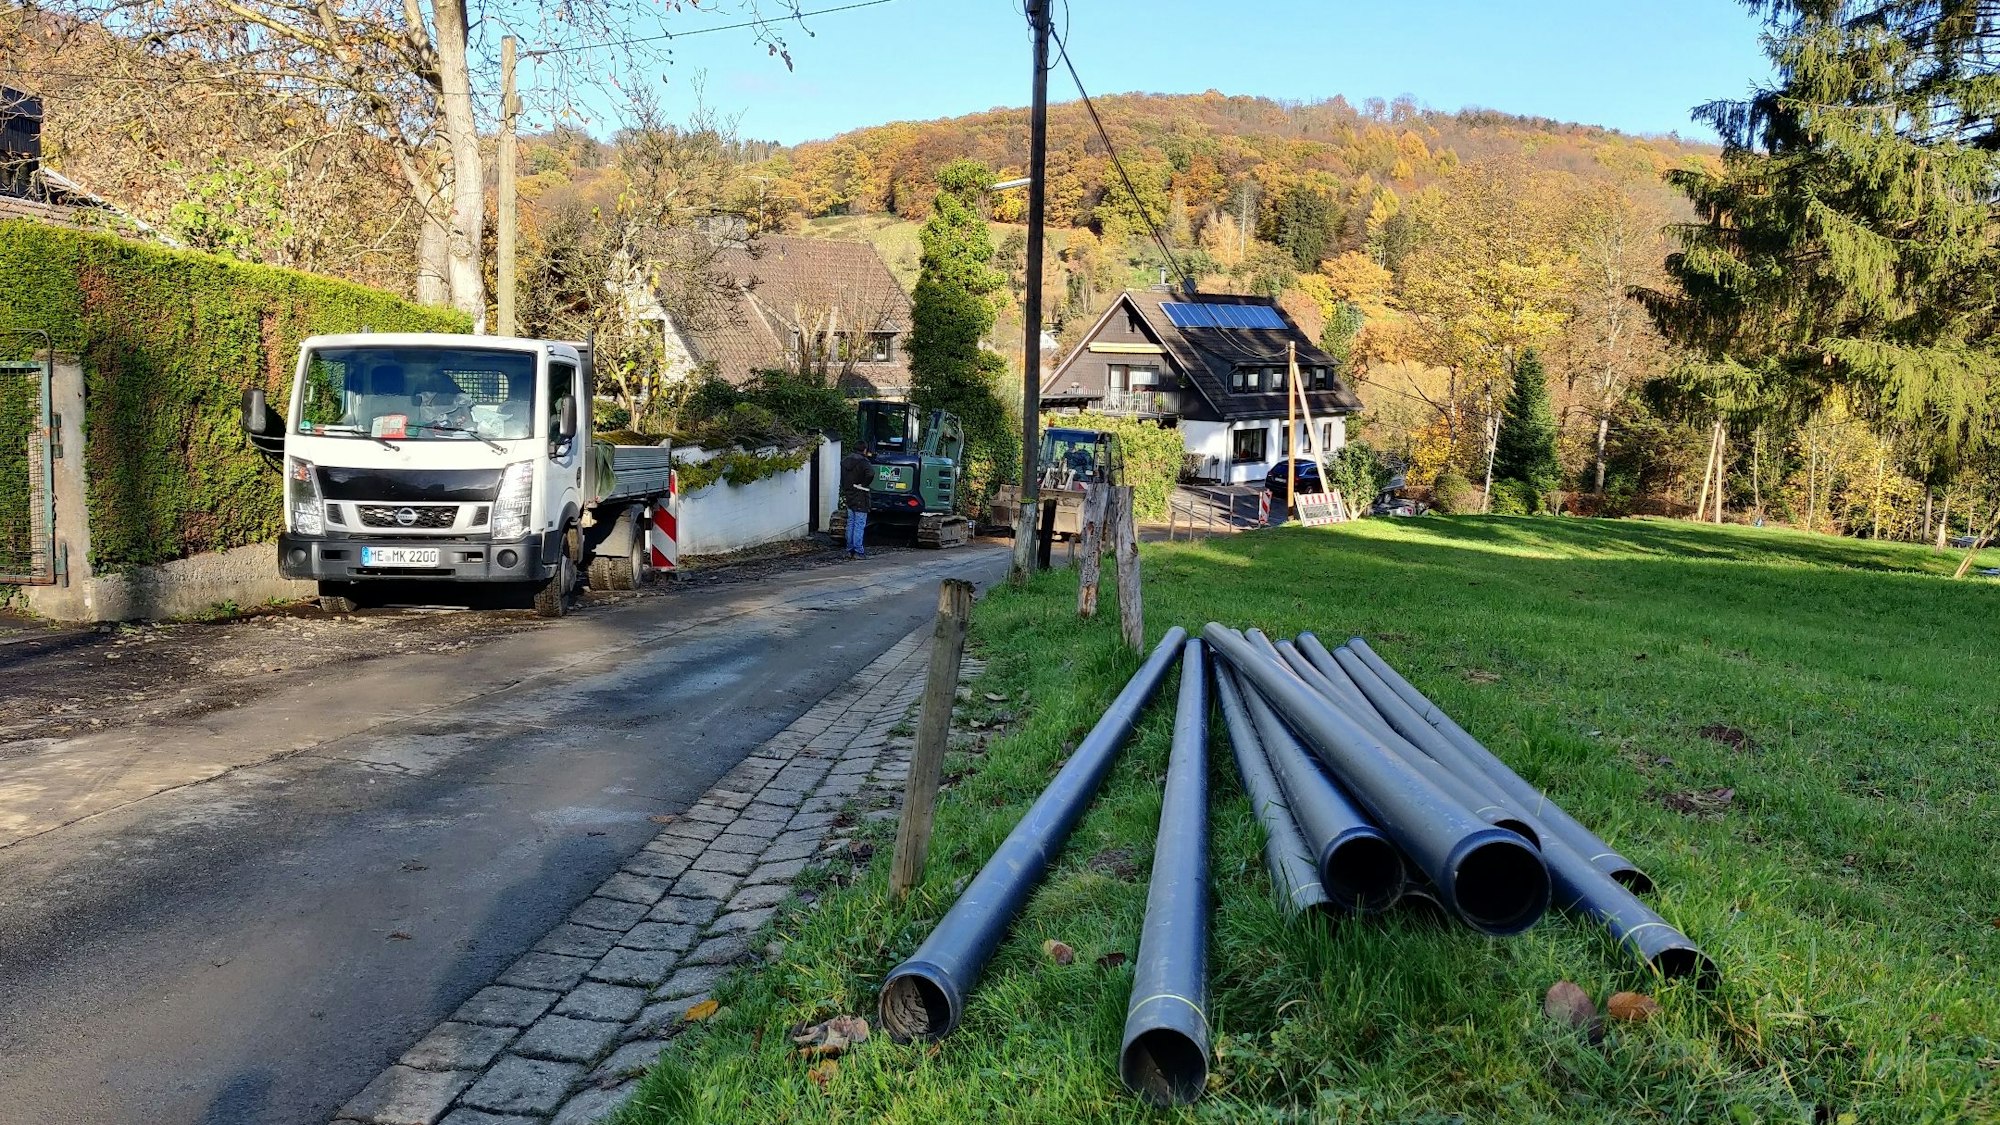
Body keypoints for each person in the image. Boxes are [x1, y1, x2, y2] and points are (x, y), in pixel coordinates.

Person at [839, 443, 874, 558]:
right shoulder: (864, 462)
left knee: (850, 523)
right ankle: (858, 550)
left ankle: (849, 549)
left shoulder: (845, 461)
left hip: (849, 494)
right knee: (859, 524)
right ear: (864, 450)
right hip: (860, 495)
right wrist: (863, 484)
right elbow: (871, 473)